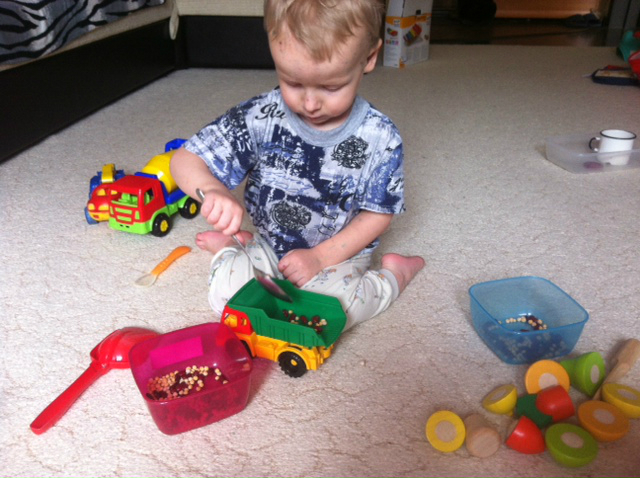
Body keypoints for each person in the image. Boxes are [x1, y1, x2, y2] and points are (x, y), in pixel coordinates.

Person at [170, 0, 424, 331]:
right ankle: (231, 248)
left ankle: (393, 276)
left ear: (370, 57)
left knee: (333, 313)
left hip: (340, 255)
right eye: (293, 82)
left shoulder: (381, 137)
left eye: (331, 87)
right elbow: (185, 159)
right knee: (227, 298)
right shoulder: (260, 116)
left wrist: (319, 258)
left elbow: (378, 215)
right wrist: (212, 190)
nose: (310, 103)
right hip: (269, 245)